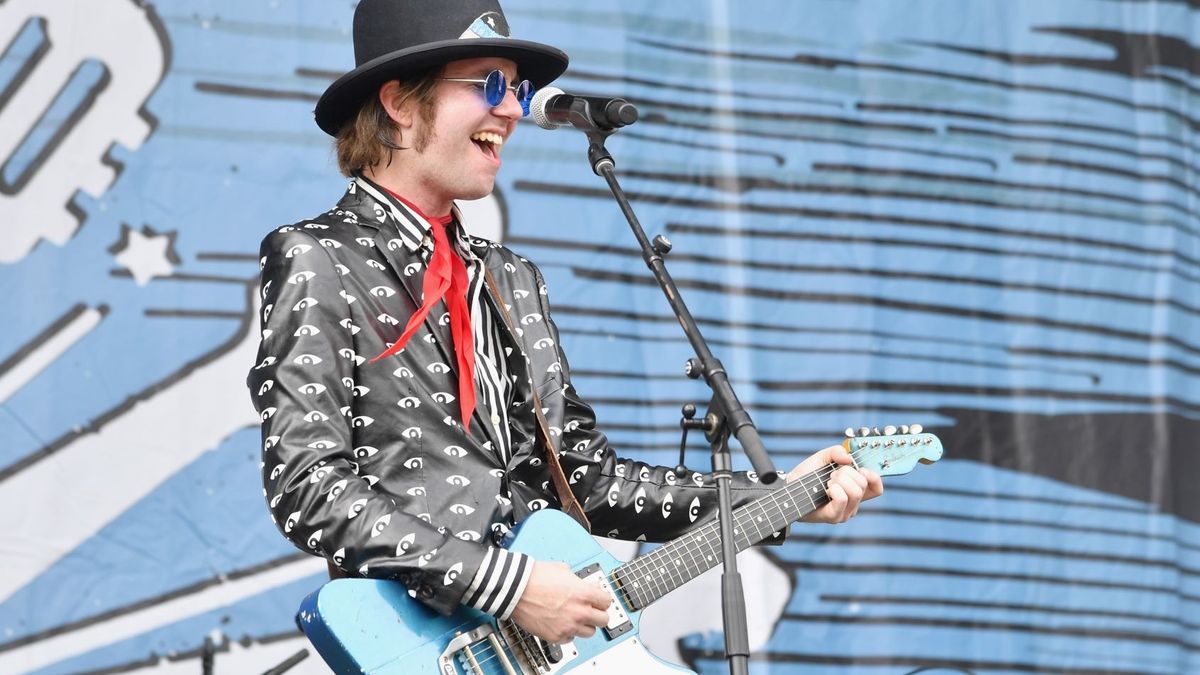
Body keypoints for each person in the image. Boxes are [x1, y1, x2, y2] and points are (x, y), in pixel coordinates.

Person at [247, 0, 882, 646]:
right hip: (428, 647)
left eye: (517, 88)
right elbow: (308, 483)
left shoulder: (512, 279)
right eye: (489, 85)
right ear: (400, 104)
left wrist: (774, 495)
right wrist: (509, 585)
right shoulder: (318, 257)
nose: (515, 110)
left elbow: (589, 479)